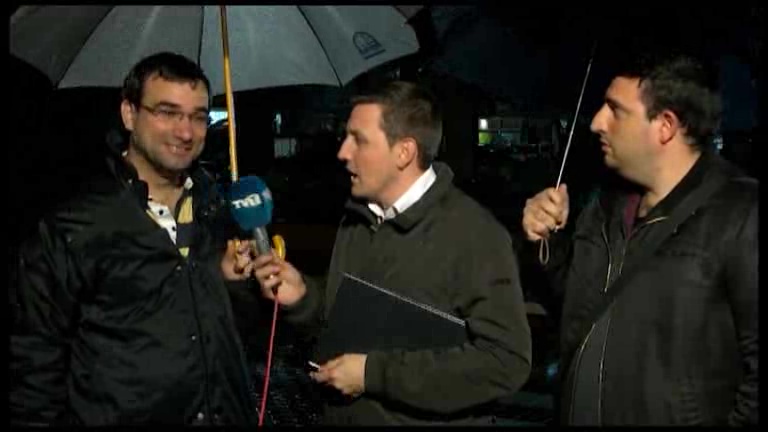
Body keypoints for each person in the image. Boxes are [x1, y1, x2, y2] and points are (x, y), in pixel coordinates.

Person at [253, 81, 532, 425]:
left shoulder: (475, 235)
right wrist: (304, 297)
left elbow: (504, 362)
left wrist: (373, 374)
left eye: (359, 140)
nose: (343, 152)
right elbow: (346, 318)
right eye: (346, 137)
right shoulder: (357, 219)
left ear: (404, 152)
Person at [10, 52, 260, 426]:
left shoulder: (220, 210)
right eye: (167, 112)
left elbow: (244, 339)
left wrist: (240, 286)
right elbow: (33, 366)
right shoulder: (75, 227)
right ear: (129, 114)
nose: (186, 132)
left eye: (197, 116)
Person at [521, 52, 758, 426]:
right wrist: (547, 242)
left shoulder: (741, 213)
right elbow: (577, 313)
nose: (597, 122)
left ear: (665, 126)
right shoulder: (603, 206)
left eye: (616, 110)